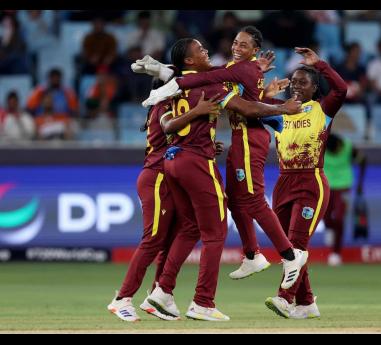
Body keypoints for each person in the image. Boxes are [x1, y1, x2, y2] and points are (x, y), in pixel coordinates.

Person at [140, 38, 304, 322]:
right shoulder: (209, 85)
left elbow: (177, 85)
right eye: (201, 50)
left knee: (190, 227)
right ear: (190, 61)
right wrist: (283, 109)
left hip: (174, 160)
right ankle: (203, 302)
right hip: (197, 163)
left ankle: (161, 292)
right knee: (215, 231)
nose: (207, 51)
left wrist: (259, 85)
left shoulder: (182, 83)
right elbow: (248, 109)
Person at [107, 78, 224, 322]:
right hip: (156, 179)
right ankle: (122, 299)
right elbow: (169, 126)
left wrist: (208, 147)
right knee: (153, 239)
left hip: (169, 178)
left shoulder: (171, 104)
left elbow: (179, 142)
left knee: (171, 239)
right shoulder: (163, 106)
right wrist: (197, 111)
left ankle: (158, 295)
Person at [264, 47, 347, 319]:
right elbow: (247, 107)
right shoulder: (279, 110)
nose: (297, 86)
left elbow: (342, 89)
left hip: (311, 181)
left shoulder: (322, 109)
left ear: (315, 88)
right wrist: (265, 92)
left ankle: (284, 298)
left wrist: (320, 64)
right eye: (294, 81)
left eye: (304, 82)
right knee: (288, 246)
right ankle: (307, 303)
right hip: (283, 182)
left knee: (297, 243)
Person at [323, 133, 367, 266]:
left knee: (340, 218)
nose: (334, 152)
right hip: (326, 186)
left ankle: (336, 253)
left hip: (344, 187)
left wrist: (360, 184)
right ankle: (330, 228)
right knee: (325, 217)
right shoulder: (321, 147)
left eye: (335, 150)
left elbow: (363, 161)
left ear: (338, 144)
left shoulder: (348, 147)